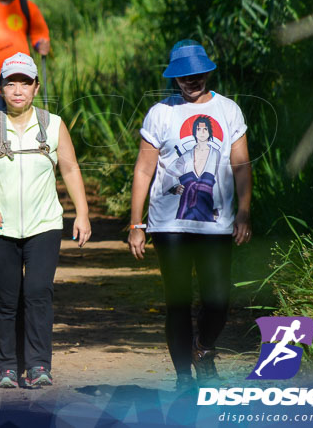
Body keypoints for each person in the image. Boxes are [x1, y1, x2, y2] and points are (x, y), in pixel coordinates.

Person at [127, 40, 252, 390]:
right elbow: (143, 170)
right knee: (177, 302)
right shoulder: (161, 114)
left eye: (196, 74)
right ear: (174, 78)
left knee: (218, 298)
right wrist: (137, 224)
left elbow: (241, 165)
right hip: (170, 225)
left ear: (207, 72)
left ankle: (203, 348)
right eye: (183, 76)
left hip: (216, 224)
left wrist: (244, 211)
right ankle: (184, 379)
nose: (191, 81)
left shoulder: (229, 111)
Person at [0, 52, 91, 389]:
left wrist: (82, 212)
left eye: (24, 82)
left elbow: (69, 169)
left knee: (37, 292)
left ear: (36, 87)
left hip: (44, 224)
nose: (17, 89)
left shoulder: (53, 125)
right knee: (8, 299)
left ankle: (37, 366)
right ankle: (8, 367)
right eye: (11, 82)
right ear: (1, 87)